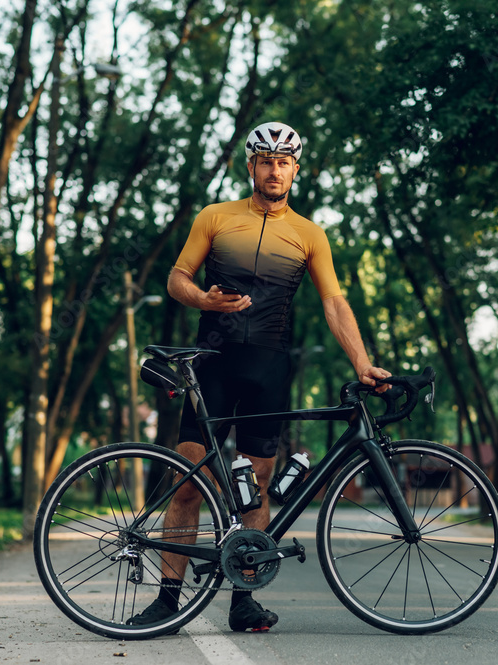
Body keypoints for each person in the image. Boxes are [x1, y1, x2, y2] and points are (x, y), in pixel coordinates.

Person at [129, 121, 390, 632]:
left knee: (258, 486)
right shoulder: (216, 218)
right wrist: (202, 299)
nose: (275, 169)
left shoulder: (309, 233)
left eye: (284, 161)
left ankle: (243, 600)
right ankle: (167, 599)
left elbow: (334, 302)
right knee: (189, 482)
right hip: (213, 364)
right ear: (250, 166)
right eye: (265, 161)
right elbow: (176, 277)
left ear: (296, 169)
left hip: (269, 367)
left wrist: (362, 362)